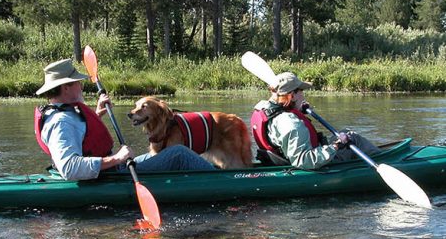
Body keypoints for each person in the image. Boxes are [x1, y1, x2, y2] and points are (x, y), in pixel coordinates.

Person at [35, 58, 215, 180]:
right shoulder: (61, 122)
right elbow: (70, 168)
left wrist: (97, 114)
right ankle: (226, 181)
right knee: (178, 153)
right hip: (109, 176)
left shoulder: (64, 114)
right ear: (66, 88)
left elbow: (79, 138)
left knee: (158, 155)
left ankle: (218, 175)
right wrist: (116, 159)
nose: (81, 86)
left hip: (110, 171)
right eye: (77, 82)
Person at [251, 71, 381, 169]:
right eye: (301, 90)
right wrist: (336, 146)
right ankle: (385, 161)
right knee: (352, 137)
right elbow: (304, 160)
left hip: (283, 157)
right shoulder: (292, 124)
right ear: (292, 95)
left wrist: (296, 108)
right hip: (313, 164)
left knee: (345, 132)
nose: (303, 94)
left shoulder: (264, 108)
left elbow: (279, 112)